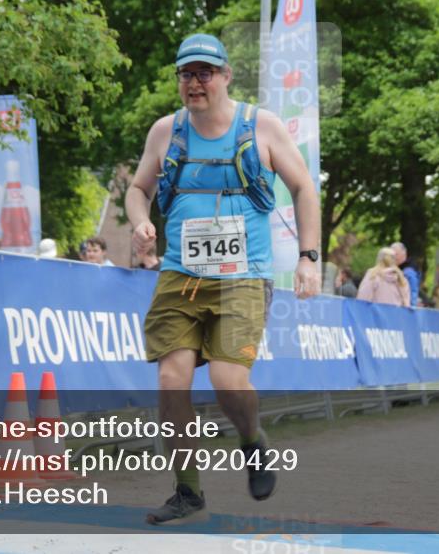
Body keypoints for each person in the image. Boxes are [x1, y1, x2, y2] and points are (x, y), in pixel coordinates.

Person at [125, 33, 321, 524]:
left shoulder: (262, 127)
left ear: (226, 76)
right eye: (186, 74)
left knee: (228, 379)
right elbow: (137, 188)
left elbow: (303, 189)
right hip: (180, 276)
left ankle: (253, 441)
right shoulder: (165, 132)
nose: (195, 83)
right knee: (172, 379)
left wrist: (308, 257)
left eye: (204, 73)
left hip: (244, 277)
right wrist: (140, 222)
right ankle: (188, 491)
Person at [390, 242, 420, 308]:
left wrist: (412, 306)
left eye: (396, 254)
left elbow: (413, 290)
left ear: (404, 253)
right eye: (391, 255)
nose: (394, 257)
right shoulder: (396, 267)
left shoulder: (409, 271)